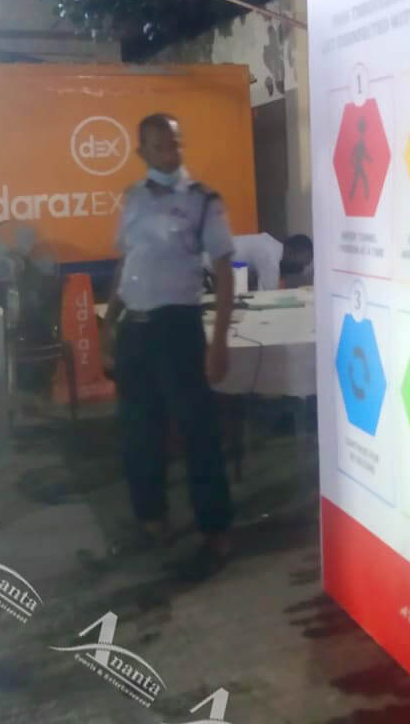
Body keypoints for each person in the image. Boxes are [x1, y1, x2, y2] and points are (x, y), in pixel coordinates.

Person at [102, 113, 235, 581]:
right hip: (135, 330)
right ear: (142, 152)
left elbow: (224, 272)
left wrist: (219, 341)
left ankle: (216, 531)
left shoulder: (203, 201)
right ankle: (151, 521)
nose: (168, 154)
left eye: (174, 145)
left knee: (198, 433)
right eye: (158, 147)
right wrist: (110, 319)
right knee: (139, 431)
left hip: (177, 329)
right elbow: (128, 263)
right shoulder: (133, 199)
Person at [229, 232, 314, 291]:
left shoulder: (269, 244)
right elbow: (267, 297)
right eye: (301, 263)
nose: (300, 269)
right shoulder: (271, 259)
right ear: (292, 252)